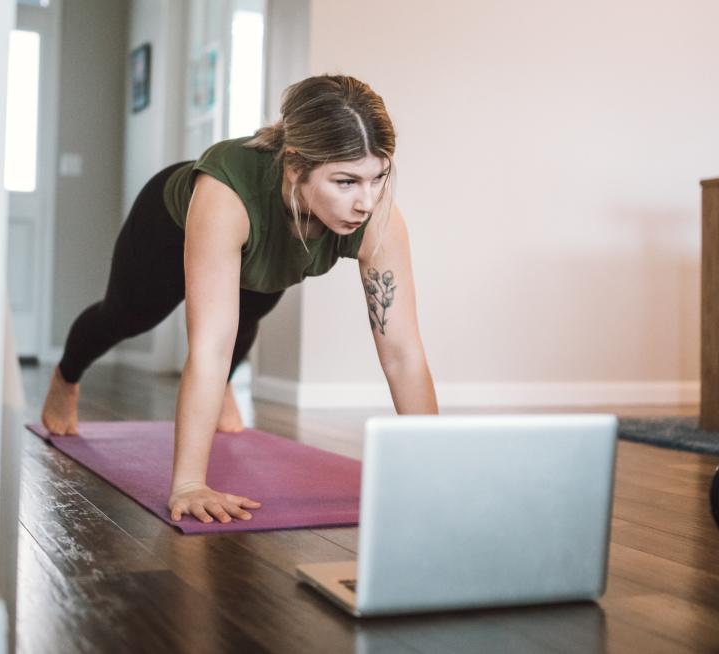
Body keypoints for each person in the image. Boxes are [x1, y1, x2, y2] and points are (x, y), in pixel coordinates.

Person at [41, 74, 438, 524]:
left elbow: (403, 353)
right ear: (293, 167)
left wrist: (431, 468)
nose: (367, 202)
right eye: (346, 182)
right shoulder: (225, 195)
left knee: (250, 312)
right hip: (167, 227)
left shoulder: (377, 215)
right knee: (127, 316)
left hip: (262, 244)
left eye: (378, 177)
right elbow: (208, 346)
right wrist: (189, 484)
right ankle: (66, 376)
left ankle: (225, 386)